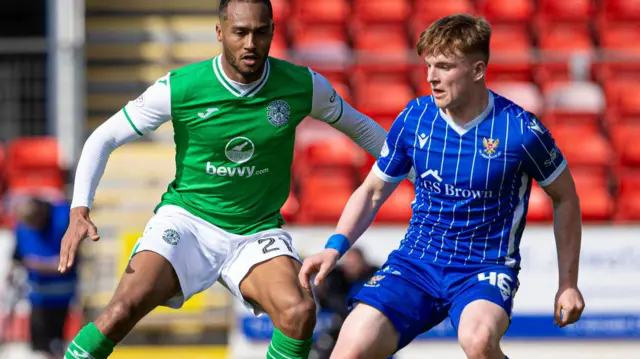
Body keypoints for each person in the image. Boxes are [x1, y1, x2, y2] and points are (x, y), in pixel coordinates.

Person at [58, 1, 414, 358]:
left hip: (256, 231)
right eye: (240, 32)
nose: (250, 43)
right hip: (188, 222)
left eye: (260, 32)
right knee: (121, 311)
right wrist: (79, 209)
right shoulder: (181, 87)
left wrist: (420, 173)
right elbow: (102, 138)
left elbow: (364, 130)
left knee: (300, 312)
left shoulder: (301, 85)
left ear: (273, 32)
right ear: (220, 32)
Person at [299, 14, 585, 359]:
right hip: (416, 264)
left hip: (483, 268)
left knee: (478, 342)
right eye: (429, 66)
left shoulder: (520, 130)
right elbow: (373, 190)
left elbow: (565, 197)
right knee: (348, 350)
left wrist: (568, 285)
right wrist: (334, 247)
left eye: (445, 67)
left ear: (478, 70)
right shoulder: (416, 117)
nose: (432, 77)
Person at [12, 197, 76, 359]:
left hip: (61, 296)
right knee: (39, 345)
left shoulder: (63, 219)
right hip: (37, 296)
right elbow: (18, 255)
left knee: (55, 343)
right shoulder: (22, 227)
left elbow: (65, 263)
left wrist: (39, 265)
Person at [309, 248, 380, 359]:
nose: (350, 267)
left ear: (362, 262)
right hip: (340, 328)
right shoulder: (336, 278)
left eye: (354, 263)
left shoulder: (374, 278)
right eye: (348, 264)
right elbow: (328, 303)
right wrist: (321, 291)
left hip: (367, 329)